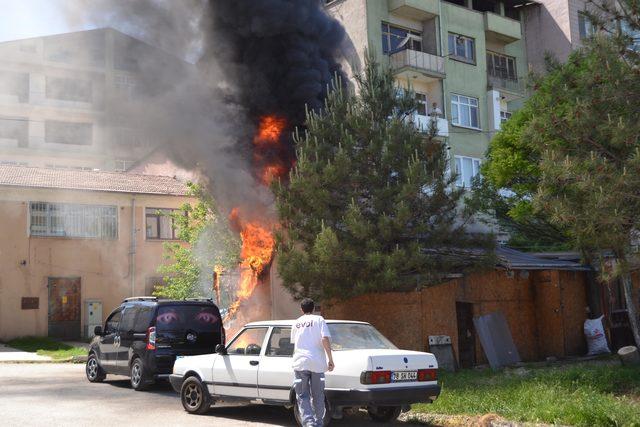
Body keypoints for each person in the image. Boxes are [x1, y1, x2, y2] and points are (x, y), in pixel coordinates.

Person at [290, 298, 334, 427]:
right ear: (314, 308)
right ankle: (318, 423)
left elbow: (295, 342)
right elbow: (324, 338)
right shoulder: (319, 320)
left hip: (300, 363)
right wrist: (330, 359)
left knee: (302, 395)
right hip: (317, 364)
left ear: (301, 309)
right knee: (318, 395)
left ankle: (309, 423)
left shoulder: (296, 323)